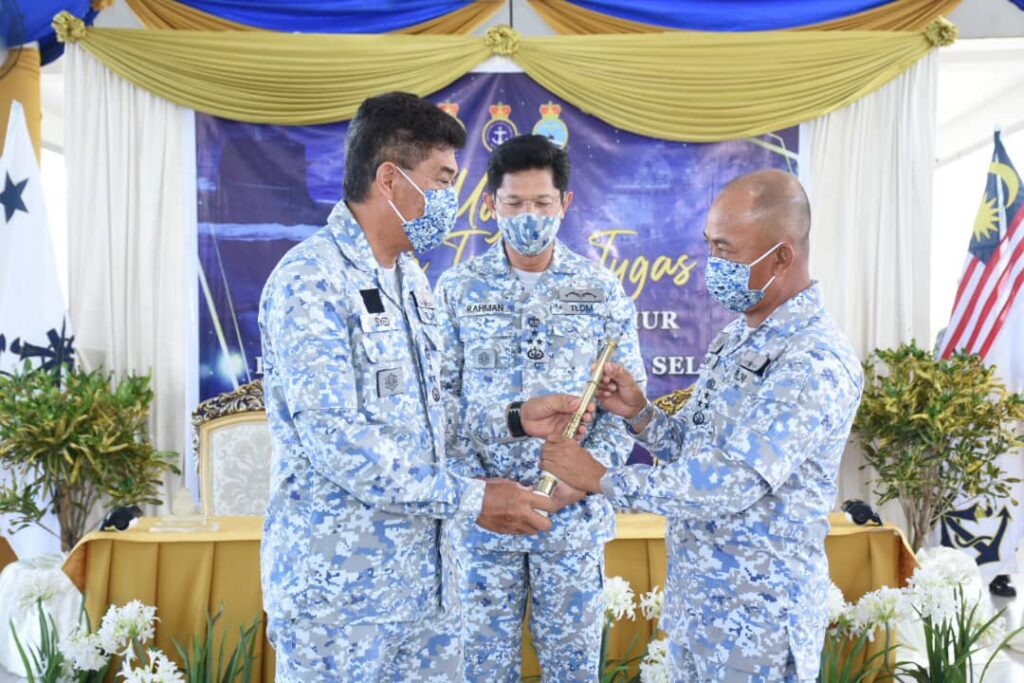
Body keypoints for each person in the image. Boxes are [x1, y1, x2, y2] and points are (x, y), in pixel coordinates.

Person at [258, 93, 586, 682]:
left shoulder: (409, 277)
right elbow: (342, 445)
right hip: (343, 606)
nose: (451, 200)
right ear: (389, 179)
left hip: (427, 594)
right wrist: (475, 498)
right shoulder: (310, 283)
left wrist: (515, 418)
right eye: (441, 179)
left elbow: (428, 412)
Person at [540, 169, 864, 682]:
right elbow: (696, 451)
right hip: (701, 608)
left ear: (781, 256)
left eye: (727, 250)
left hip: (758, 626)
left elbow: (729, 482)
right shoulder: (736, 338)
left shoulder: (813, 363)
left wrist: (599, 477)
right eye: (709, 245)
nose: (713, 263)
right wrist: (640, 415)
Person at [434, 134, 646, 682]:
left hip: (570, 521)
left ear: (565, 204)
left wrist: (583, 481)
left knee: (573, 671)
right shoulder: (457, 289)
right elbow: (436, 404)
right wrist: (476, 488)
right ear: (491, 206)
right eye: (515, 204)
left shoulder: (600, 290)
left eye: (542, 204)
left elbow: (627, 402)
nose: (529, 216)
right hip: (484, 521)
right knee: (480, 671)